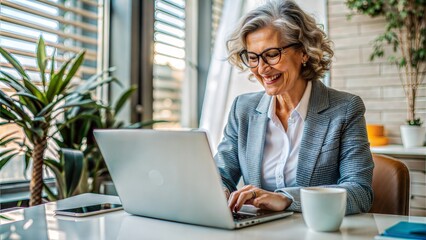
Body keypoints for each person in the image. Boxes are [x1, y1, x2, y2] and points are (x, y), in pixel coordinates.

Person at [214, 0, 374, 215]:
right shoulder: (243, 109)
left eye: (271, 54)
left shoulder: (345, 109)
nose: (261, 69)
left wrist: (287, 199)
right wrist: (219, 191)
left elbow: (360, 192)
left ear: (304, 52)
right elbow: (221, 172)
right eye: (252, 58)